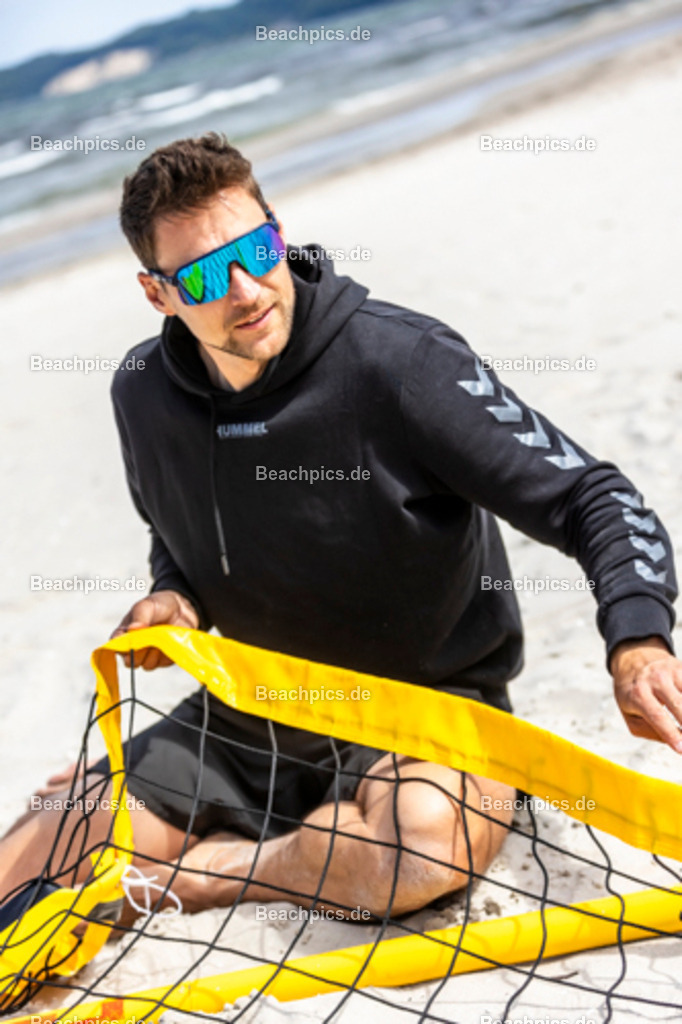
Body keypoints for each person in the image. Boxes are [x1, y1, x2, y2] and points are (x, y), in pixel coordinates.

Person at [1, 133, 680, 924]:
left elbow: (591, 496)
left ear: (278, 231)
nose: (246, 289)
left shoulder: (402, 364)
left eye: (256, 250)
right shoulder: (142, 392)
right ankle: (231, 849)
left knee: (422, 852)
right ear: (158, 295)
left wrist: (638, 641)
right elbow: (174, 532)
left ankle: (202, 875)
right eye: (205, 275)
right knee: (26, 866)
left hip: (426, 714)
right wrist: (174, 598)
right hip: (248, 715)